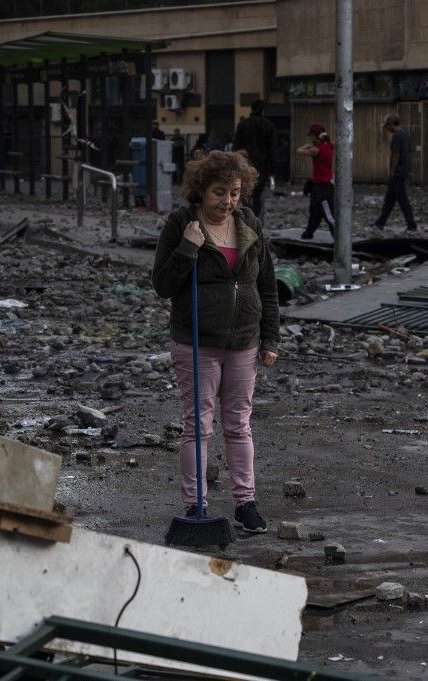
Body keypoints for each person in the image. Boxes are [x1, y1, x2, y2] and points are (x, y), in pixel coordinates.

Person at [151, 150, 280, 534]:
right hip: (195, 342)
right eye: (219, 192)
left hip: (244, 340)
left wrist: (270, 337)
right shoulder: (181, 223)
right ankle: (195, 506)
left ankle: (246, 503)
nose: (227, 201)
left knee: (239, 424)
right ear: (201, 191)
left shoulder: (249, 224)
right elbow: (162, 285)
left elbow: (267, 285)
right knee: (198, 426)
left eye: (235, 193)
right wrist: (188, 247)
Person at [232, 99, 277, 219]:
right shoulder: (269, 125)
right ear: (263, 110)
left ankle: (247, 216)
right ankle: (256, 220)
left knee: (245, 192)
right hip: (262, 165)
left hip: (245, 164)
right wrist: (274, 168)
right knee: (259, 194)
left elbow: (236, 146)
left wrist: (234, 164)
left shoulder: (242, 124)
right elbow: (272, 148)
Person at [373, 113, 417, 232]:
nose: (386, 128)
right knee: (389, 199)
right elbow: (411, 154)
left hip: (397, 172)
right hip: (403, 171)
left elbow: (395, 155)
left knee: (402, 200)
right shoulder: (406, 135)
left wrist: (392, 171)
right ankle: (380, 222)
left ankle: (412, 224)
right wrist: (411, 170)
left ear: (391, 124)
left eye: (387, 126)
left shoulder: (397, 136)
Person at [296, 122, 335, 239]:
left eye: (311, 135)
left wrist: (309, 144)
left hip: (323, 187)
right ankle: (308, 233)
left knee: (328, 214)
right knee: (314, 211)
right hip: (321, 185)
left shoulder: (316, 150)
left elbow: (299, 151)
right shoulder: (330, 145)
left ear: (315, 135)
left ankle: (338, 236)